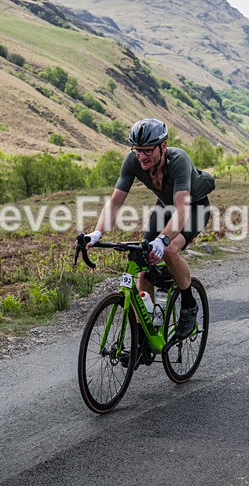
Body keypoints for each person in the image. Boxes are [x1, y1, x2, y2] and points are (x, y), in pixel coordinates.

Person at [82, 118, 215, 340]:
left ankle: (189, 305)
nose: (142, 156)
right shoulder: (133, 161)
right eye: (137, 150)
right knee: (143, 268)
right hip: (164, 207)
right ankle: (145, 336)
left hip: (194, 208)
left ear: (163, 146)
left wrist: (163, 240)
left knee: (170, 249)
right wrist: (96, 233)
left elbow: (182, 208)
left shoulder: (179, 160)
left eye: (147, 151)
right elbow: (115, 203)